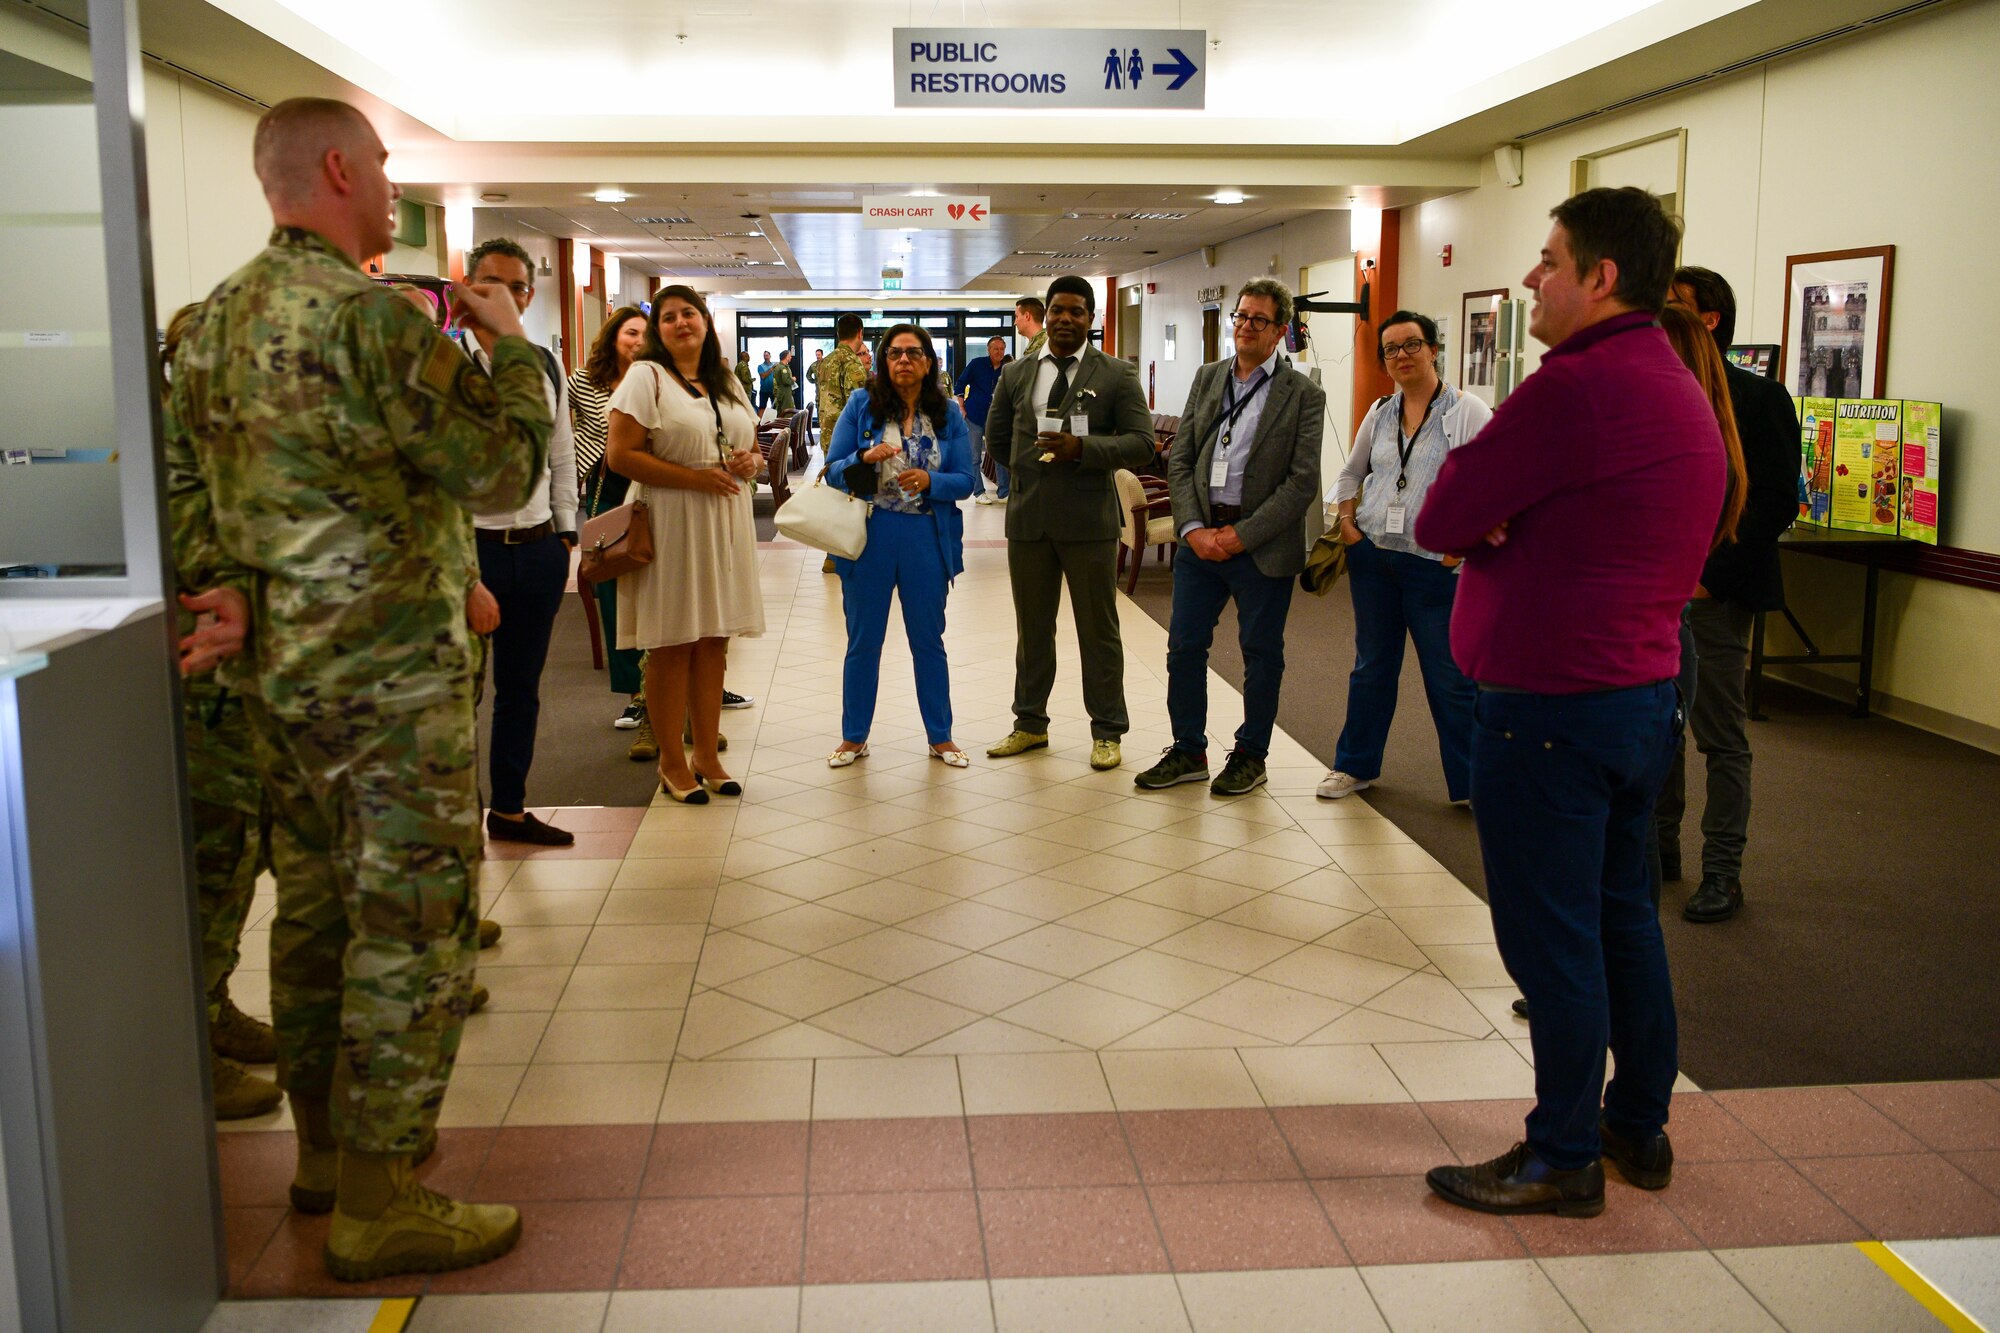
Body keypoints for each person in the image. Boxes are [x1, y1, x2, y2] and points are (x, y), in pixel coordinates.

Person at [165, 97, 548, 1278]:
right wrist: (514, 351)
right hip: (390, 692)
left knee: (319, 919)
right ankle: (386, 1190)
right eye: (381, 168)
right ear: (334, 167)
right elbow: (498, 467)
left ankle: (326, 1153)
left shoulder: (216, 322)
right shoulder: (372, 324)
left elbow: (196, 494)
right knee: (412, 931)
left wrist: (228, 589)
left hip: (284, 688)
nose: (393, 188)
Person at [1414, 187, 1724, 1220]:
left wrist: (1494, 525)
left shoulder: (1573, 389)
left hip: (1548, 708)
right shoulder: (1672, 383)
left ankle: (1559, 1153)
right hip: (1635, 699)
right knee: (1620, 919)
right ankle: (1635, 1124)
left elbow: (1443, 511)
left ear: (1599, 277)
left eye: (1547, 260)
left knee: (1551, 940)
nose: (1531, 278)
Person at [162, 301, 283, 1121]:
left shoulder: (236, 440)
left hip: (244, 686)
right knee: (213, 851)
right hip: (200, 681)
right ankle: (190, 1042)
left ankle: (216, 1005)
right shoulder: (176, 451)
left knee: (241, 849)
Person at [1136, 279, 1323, 796]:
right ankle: (1189, 749)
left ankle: (1251, 754)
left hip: (1260, 545)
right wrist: (1193, 529)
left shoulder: (1303, 394)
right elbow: (1182, 458)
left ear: (1280, 330)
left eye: (1257, 320)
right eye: (1240, 316)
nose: (1244, 327)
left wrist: (1240, 536)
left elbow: (1302, 481)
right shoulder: (1208, 377)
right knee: (1184, 647)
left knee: (1260, 654)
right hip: (1201, 541)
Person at [1658, 267, 1793, 921]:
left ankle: (1722, 872)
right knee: (1660, 727)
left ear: (1708, 320)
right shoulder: (1654, 395)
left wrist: (1708, 575)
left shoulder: (1759, 399)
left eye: (1673, 309)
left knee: (1718, 733)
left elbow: (1771, 504)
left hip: (1717, 591)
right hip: (1655, 595)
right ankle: (1660, 853)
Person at [1318, 311, 1493, 806]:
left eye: (1411, 345)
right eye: (1391, 349)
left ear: (1434, 349)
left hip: (1435, 566)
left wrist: (1462, 548)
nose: (1401, 356)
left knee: (1451, 678)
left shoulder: (1467, 411)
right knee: (1371, 667)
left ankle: (1473, 785)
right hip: (1375, 558)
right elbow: (1350, 475)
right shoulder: (1380, 412)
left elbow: (1495, 484)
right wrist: (1349, 526)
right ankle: (1354, 766)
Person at [985, 276, 1157, 771]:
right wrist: (1027, 474)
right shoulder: (1017, 373)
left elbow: (1143, 444)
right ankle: (1029, 725)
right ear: (1047, 315)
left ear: (1091, 318)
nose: (1065, 319)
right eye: (1057, 310)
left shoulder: (1116, 374)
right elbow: (998, 439)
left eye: (1076, 312)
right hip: (1029, 521)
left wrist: (1084, 450)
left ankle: (1108, 731)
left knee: (1097, 631)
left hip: (1089, 523)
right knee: (1032, 630)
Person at [605, 286, 765, 803]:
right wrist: (694, 479)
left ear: (704, 321)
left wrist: (751, 463)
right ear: (659, 330)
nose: (680, 323)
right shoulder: (644, 377)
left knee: (713, 640)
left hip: (724, 517)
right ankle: (672, 760)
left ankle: (707, 756)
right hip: (673, 518)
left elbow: (752, 445)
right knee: (672, 642)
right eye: (669, 317)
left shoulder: (726, 379)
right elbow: (620, 456)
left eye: (688, 313)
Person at [453, 237, 578, 847]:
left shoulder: (542, 364)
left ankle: (507, 809)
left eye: (515, 287)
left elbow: (559, 454)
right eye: (488, 284)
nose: (501, 296)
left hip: (536, 549)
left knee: (520, 691)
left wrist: (565, 535)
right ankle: (457, 833)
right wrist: (463, 576)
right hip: (466, 553)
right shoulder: (441, 365)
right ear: (467, 288)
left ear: (528, 296)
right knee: (456, 698)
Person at [823, 324, 977, 769]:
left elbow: (967, 481)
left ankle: (941, 736)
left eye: (914, 353)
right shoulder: (860, 406)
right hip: (870, 535)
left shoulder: (948, 413)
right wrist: (861, 460)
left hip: (926, 537)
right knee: (863, 641)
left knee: (928, 640)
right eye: (895, 353)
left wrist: (932, 480)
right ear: (882, 361)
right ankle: (854, 737)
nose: (904, 360)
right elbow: (833, 470)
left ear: (929, 362)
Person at [571, 306, 658, 759]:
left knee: (657, 594)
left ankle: (666, 691)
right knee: (615, 597)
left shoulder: (664, 380)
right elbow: (564, 435)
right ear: (614, 337)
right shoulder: (585, 382)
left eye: (646, 334)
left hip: (653, 494)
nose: (638, 341)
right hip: (608, 497)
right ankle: (634, 695)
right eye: (630, 333)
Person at [815, 315, 873, 573]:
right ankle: (849, 554)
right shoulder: (853, 364)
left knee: (836, 497)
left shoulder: (824, 362)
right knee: (853, 497)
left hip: (828, 439)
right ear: (859, 333)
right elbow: (860, 405)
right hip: (848, 440)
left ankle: (831, 555)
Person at [961, 334, 1011, 505]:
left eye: (1002, 349)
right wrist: (962, 408)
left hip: (996, 419)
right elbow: (960, 385)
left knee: (999, 454)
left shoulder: (1008, 367)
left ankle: (1004, 492)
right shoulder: (977, 364)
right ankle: (979, 492)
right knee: (975, 457)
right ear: (988, 350)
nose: (999, 352)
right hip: (974, 416)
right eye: (996, 349)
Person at [1014, 296, 1047, 360]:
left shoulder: (1044, 344)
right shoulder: (1036, 343)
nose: (1015, 322)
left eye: (1017, 317)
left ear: (1027, 316)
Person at [772, 348, 797, 414]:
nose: (791, 357)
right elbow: (786, 381)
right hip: (785, 394)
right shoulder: (782, 368)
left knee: (781, 412)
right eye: (790, 356)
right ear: (786, 356)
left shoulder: (781, 366)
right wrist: (793, 379)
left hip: (783, 392)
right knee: (787, 413)